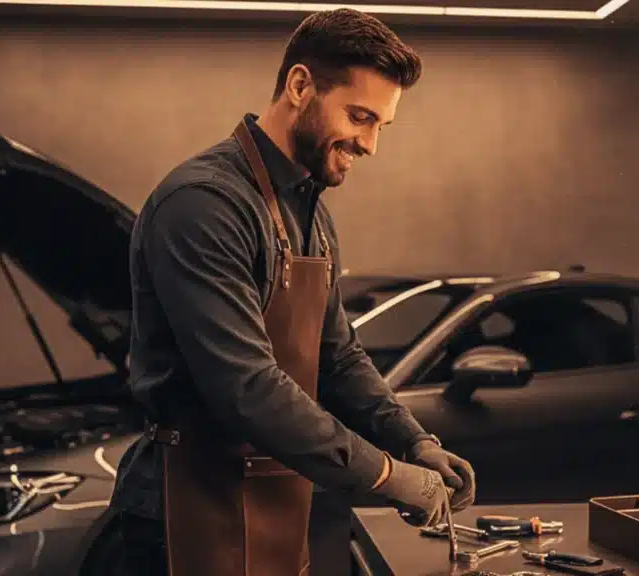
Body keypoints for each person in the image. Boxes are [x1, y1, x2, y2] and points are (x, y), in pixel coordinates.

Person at [107, 8, 477, 576]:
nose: (371, 144)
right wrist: (388, 475)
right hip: (183, 512)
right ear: (300, 86)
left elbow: (338, 356)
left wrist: (413, 441)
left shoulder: (310, 214)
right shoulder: (204, 205)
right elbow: (248, 388)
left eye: (382, 124)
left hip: (278, 501)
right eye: (360, 116)